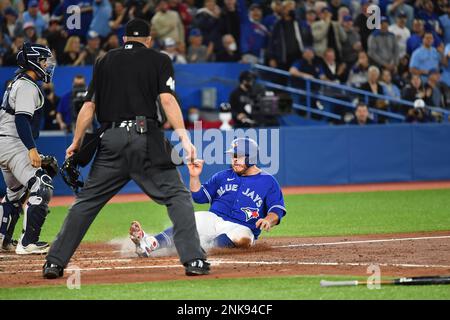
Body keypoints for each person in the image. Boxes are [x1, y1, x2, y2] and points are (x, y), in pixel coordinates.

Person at [43, 19, 209, 279]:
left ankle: (54, 262)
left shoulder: (104, 61)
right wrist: (184, 138)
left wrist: (75, 142)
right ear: (149, 40)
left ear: (123, 40)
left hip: (111, 140)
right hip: (146, 139)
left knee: (85, 203)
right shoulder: (159, 59)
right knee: (178, 197)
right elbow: (167, 99)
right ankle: (194, 260)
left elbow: (88, 107)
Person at [129, 138, 286, 256]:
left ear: (251, 157)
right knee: (190, 220)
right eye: (232, 156)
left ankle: (204, 246)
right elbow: (199, 197)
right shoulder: (222, 176)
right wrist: (194, 176)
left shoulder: (268, 182)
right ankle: (148, 243)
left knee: (244, 238)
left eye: (238, 156)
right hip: (213, 219)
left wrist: (268, 220)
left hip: (241, 227)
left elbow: (276, 210)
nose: (234, 160)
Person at [0, 43, 56, 254]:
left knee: (15, 192)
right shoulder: (27, 85)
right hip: (13, 143)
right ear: (33, 62)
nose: (47, 65)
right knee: (42, 184)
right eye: (43, 60)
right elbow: (22, 120)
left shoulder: (18, 82)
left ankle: (3, 238)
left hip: (5, 144)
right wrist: (32, 150)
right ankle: (28, 243)